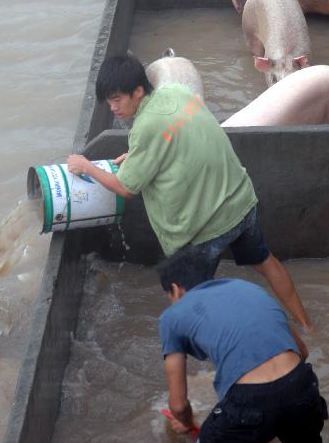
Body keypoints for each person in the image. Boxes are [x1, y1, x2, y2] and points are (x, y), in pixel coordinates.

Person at [68, 53, 312, 330]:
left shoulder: (145, 127)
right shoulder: (176, 92)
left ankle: (213, 358)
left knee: (185, 299)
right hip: (241, 203)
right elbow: (174, 137)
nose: (112, 108)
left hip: (203, 231)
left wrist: (86, 166)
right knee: (266, 262)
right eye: (108, 101)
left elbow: (125, 188)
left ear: (137, 92)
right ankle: (307, 326)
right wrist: (137, 156)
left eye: (117, 99)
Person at [157, 246, 329, 443]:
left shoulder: (172, 316)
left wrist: (187, 424)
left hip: (250, 401)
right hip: (301, 385)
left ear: (175, 290)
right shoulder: (249, 289)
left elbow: (179, 404)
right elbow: (302, 351)